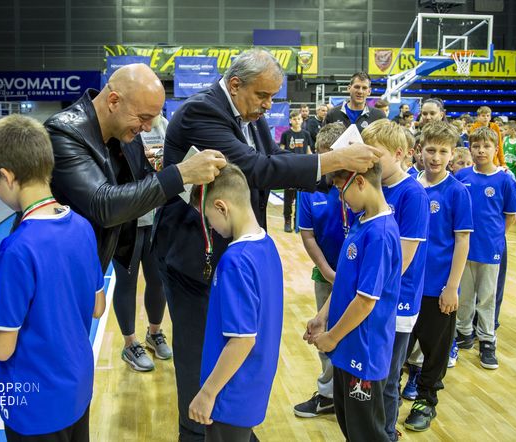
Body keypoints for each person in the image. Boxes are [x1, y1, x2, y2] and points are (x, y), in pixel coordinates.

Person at [155, 49, 382, 441]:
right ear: (235, 84)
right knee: (200, 360)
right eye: (263, 95)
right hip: (194, 260)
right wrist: (332, 160)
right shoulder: (200, 113)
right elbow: (255, 169)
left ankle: (230, 430)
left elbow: (275, 158)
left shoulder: (249, 113)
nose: (268, 105)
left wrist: (335, 174)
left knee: (239, 349)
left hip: (232, 251)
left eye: (273, 97)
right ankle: (196, 431)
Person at [0, 115, 106, 441]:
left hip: (34, 404)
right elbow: (98, 307)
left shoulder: (17, 247)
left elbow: (2, 348)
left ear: (6, 176)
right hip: (76, 387)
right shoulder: (83, 227)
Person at [45, 63, 226, 272]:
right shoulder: (63, 132)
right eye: (143, 118)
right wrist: (182, 173)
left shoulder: (123, 134)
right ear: (113, 101)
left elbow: (145, 182)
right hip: (57, 268)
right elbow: (103, 205)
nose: (148, 128)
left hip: (90, 264)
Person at [304, 161, 401, 442]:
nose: (340, 198)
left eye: (340, 189)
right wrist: (322, 316)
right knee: (349, 424)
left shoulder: (380, 234)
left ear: (359, 182)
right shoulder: (362, 220)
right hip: (347, 345)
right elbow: (346, 282)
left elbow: (365, 301)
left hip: (364, 350)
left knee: (366, 432)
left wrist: (332, 337)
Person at [187, 164, 283, 442]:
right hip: (252, 385)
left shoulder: (235, 261)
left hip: (229, 394)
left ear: (221, 207)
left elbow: (242, 340)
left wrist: (207, 393)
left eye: (208, 219)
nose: (210, 228)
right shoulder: (267, 244)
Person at [404, 120, 473, 432]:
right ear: (419, 151)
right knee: (399, 348)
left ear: (453, 154)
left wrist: (452, 287)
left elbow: (462, 240)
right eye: (430, 150)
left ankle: (426, 400)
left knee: (435, 350)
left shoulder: (457, 192)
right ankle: (392, 395)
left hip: (438, 288)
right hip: (407, 286)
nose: (435, 157)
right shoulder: (409, 186)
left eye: (443, 152)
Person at [365, 120, 429, 442]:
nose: (369, 160)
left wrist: (369, 291)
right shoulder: (374, 185)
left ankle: (387, 434)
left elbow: (403, 258)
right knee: (372, 374)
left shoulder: (413, 194)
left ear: (400, 154)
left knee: (388, 378)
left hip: (396, 300)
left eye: (376, 154)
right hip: (372, 297)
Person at [292, 122, 348, 418]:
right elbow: (308, 234)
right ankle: (328, 394)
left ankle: (357, 394)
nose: (329, 164)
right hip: (326, 273)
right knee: (322, 332)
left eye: (334, 156)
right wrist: (327, 271)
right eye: (323, 156)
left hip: (359, 274)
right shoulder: (309, 187)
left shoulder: (357, 182)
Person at [455, 127, 516, 370]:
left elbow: (510, 215)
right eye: (476, 146)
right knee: (464, 295)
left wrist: (496, 237)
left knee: (487, 296)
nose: (481, 150)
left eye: (486, 146)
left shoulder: (505, 179)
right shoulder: (461, 176)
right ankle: (463, 332)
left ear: (495, 149)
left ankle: (487, 339)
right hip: (463, 248)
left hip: (490, 248)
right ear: (470, 148)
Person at [113, 137, 173, 371]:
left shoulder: (165, 128)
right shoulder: (121, 132)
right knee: (126, 282)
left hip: (156, 219)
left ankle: (154, 333)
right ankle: (130, 344)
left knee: (157, 280)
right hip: (125, 222)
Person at [280, 109, 313, 232]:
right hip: (290, 169)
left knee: (301, 197)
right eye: (294, 119)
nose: (297, 121)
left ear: (302, 120)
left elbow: (308, 151)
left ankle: (297, 220)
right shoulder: (286, 134)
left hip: (302, 170)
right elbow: (281, 150)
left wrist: (313, 163)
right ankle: (287, 220)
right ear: (290, 121)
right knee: (288, 198)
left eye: (299, 119)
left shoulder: (306, 134)